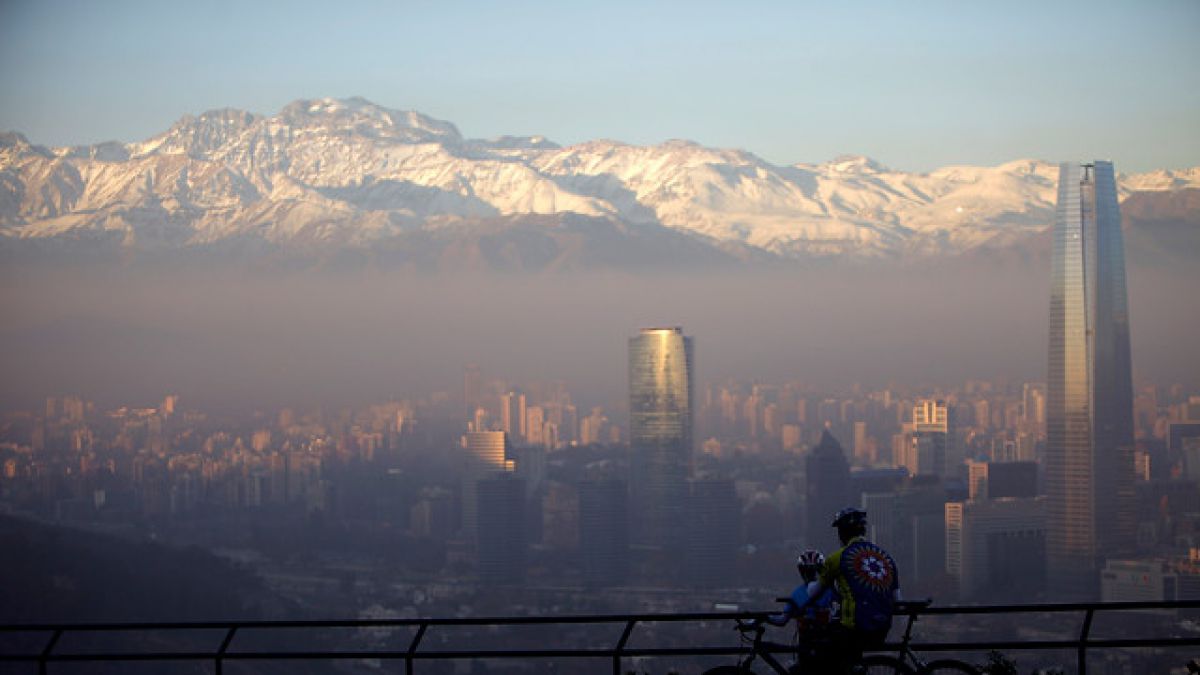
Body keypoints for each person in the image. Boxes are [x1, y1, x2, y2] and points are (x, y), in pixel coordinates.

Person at [798, 507, 900, 672]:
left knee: (814, 644)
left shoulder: (837, 558)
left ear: (842, 533)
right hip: (882, 630)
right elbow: (898, 599)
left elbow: (812, 592)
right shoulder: (887, 558)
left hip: (853, 630)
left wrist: (810, 579)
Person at [763, 549, 837, 671]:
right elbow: (783, 619)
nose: (810, 575)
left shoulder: (830, 590)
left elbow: (782, 620)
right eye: (807, 571)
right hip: (807, 641)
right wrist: (765, 618)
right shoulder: (801, 592)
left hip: (826, 640)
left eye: (813, 571)